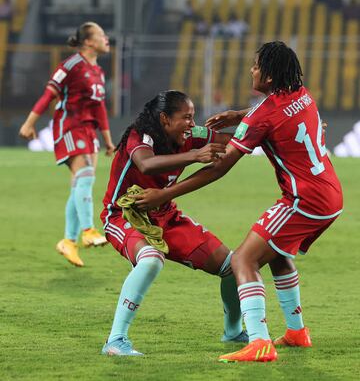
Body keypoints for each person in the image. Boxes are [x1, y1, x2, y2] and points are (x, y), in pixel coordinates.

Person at [134, 42, 343, 362]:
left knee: (242, 261)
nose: (252, 70)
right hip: (330, 194)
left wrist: (164, 194)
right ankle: (297, 332)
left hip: (304, 200)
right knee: (276, 254)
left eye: (257, 66)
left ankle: (258, 341)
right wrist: (237, 115)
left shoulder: (263, 115)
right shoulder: (302, 92)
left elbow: (219, 168)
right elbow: (270, 112)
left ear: (270, 77)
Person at [100, 90, 249, 356]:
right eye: (187, 117)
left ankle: (233, 332)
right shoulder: (140, 136)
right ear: (165, 119)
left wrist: (285, 126)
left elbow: (238, 139)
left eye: (193, 118)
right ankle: (115, 340)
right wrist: (195, 156)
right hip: (124, 216)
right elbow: (146, 164)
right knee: (150, 259)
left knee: (231, 265)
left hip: (166, 215)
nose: (193, 124)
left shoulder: (192, 137)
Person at [19, 22, 115, 267]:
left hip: (88, 130)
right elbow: (48, 94)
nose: (107, 39)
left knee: (80, 184)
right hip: (69, 126)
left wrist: (107, 140)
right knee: (85, 176)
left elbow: (99, 108)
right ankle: (88, 230)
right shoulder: (71, 65)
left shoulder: (99, 72)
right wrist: (30, 123)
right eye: (102, 36)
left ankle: (68, 242)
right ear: (89, 42)